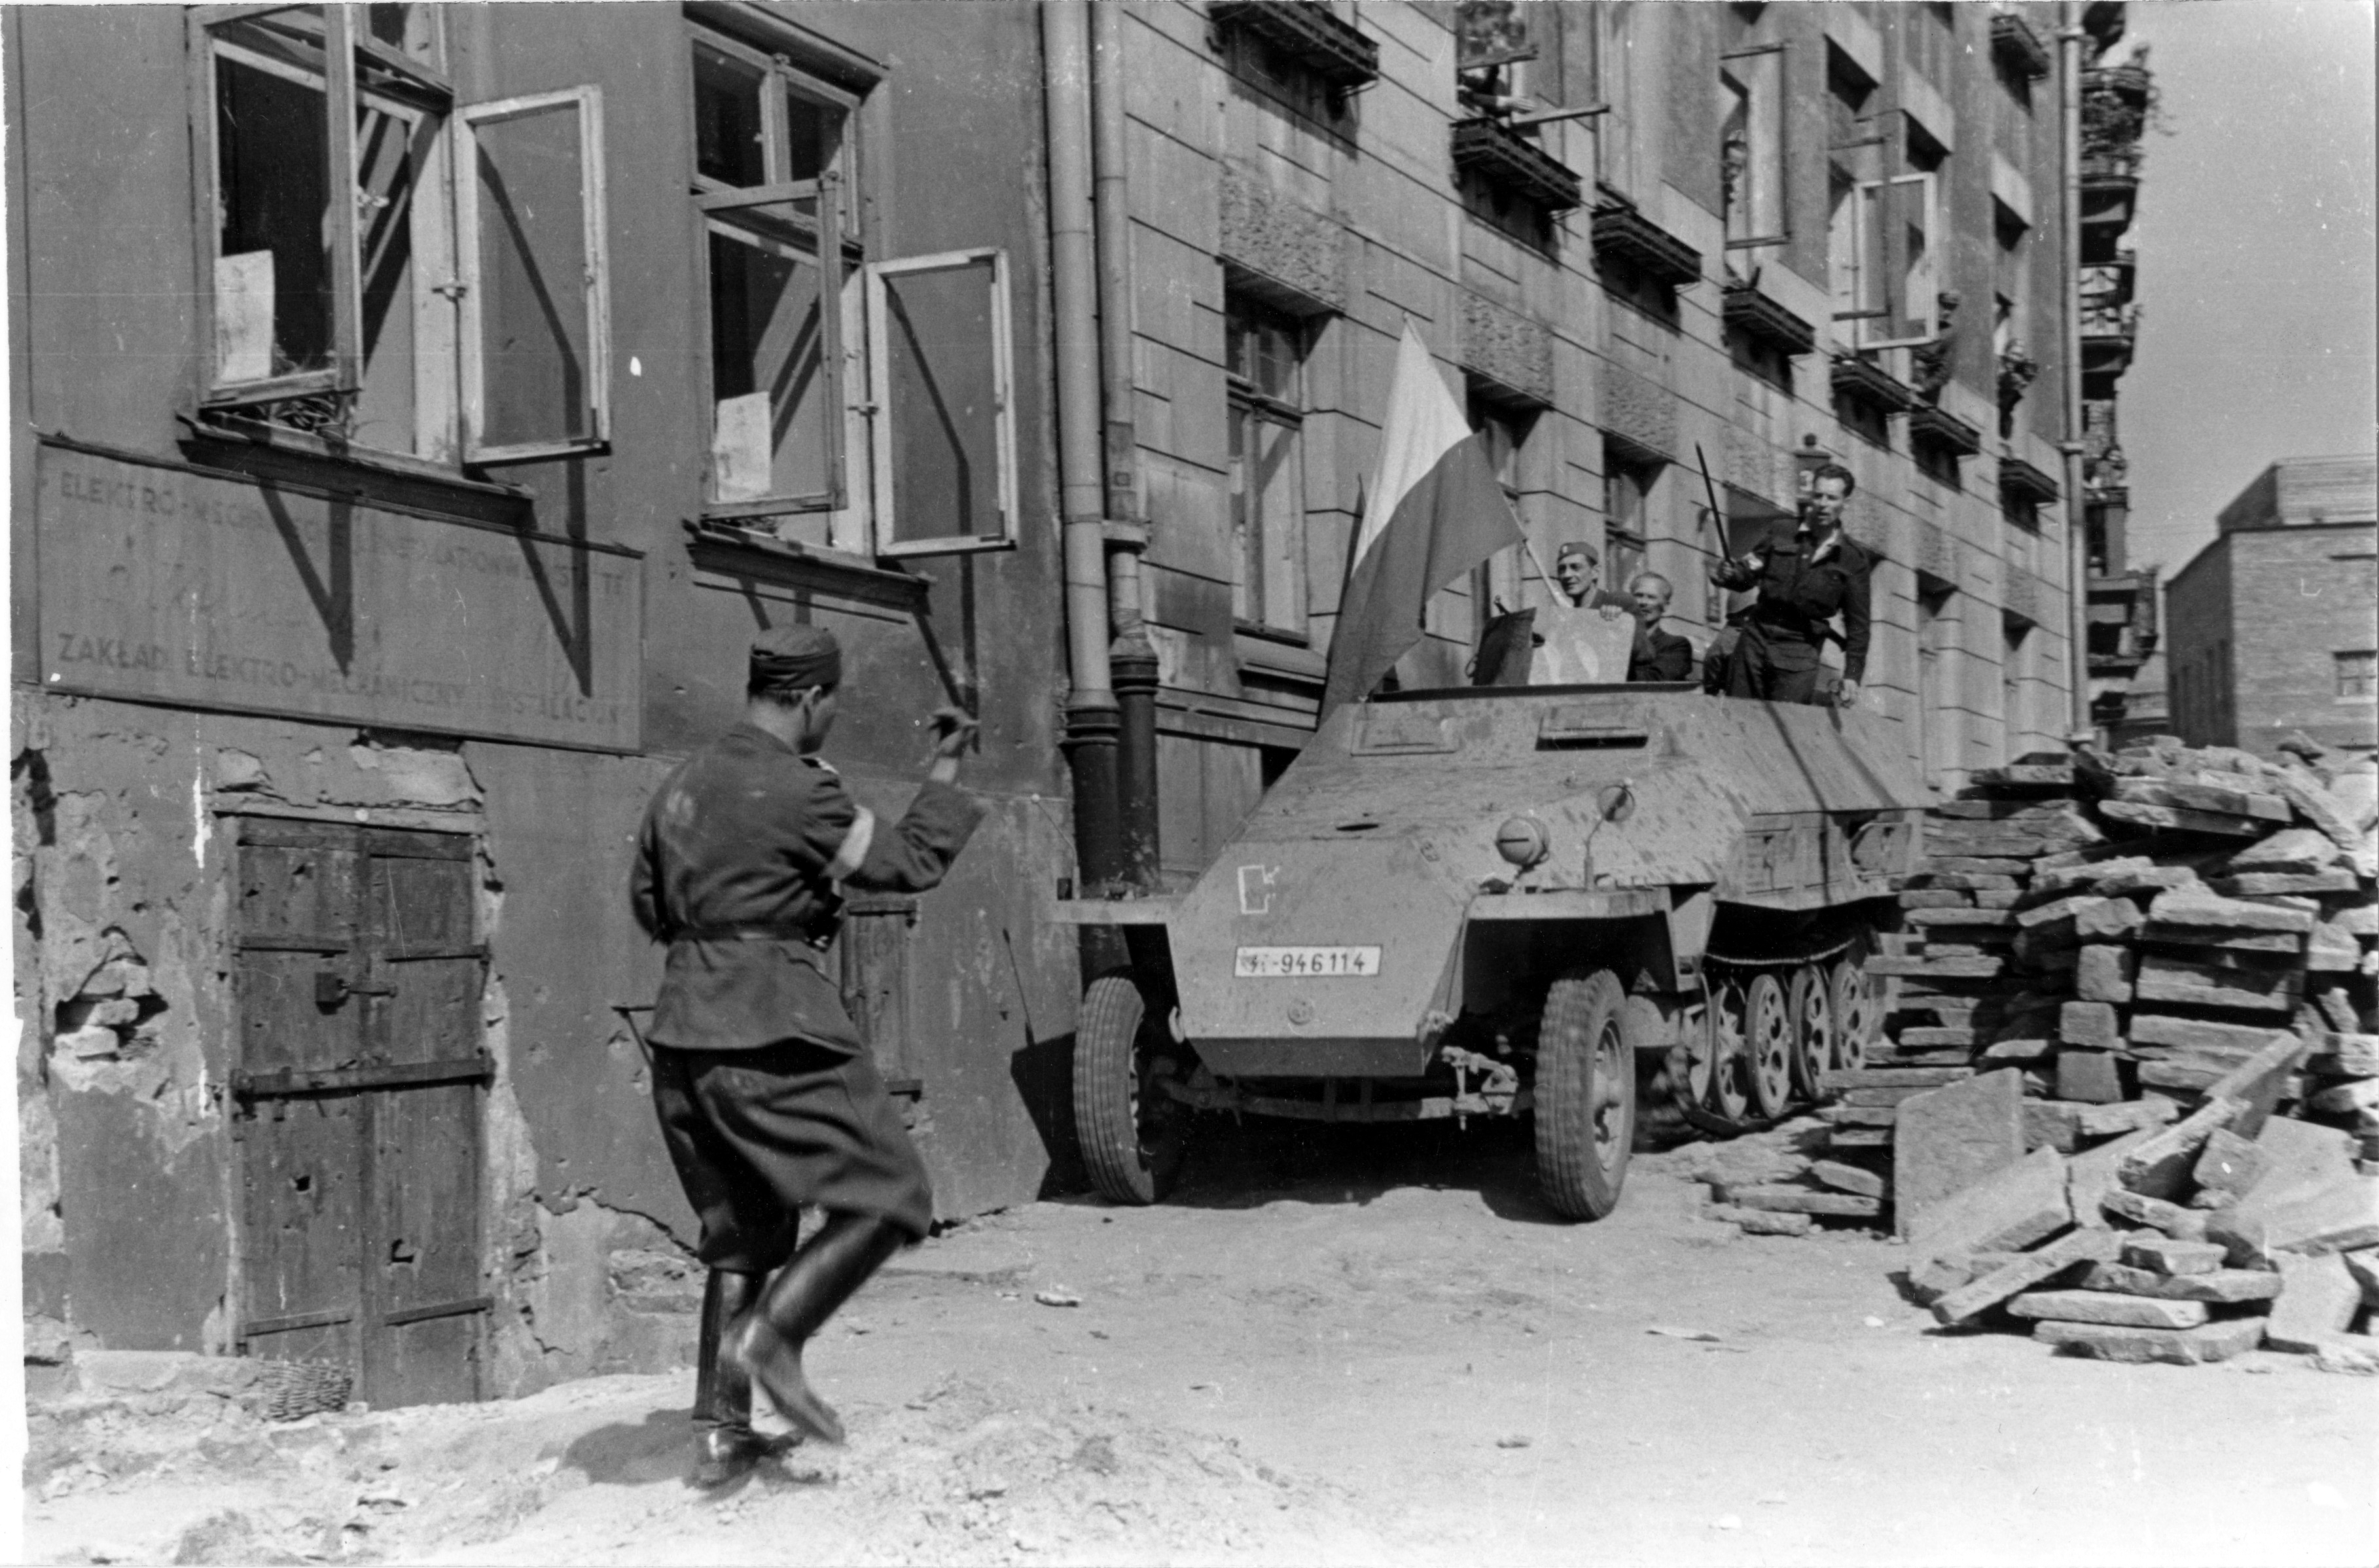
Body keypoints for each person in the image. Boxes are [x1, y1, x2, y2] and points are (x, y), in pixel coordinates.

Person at [630, 624, 983, 1487]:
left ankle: (720, 1434)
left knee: (743, 1232)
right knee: (892, 1193)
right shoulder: (799, 791)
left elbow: (649, 907)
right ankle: (776, 1336)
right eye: (833, 703)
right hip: (770, 1024)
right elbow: (904, 862)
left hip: (681, 1035)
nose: (832, 716)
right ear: (809, 698)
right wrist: (945, 770)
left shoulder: (677, 788)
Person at [1707, 463, 1871, 707]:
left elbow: (1858, 624)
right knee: (1740, 716)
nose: (1823, 504)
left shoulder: (1852, 558)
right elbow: (1747, 573)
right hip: (1756, 638)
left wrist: (1852, 675)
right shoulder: (1782, 531)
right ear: (1811, 497)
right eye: (1818, 496)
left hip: (1800, 649)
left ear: (1845, 502)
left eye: (1832, 497)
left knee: (1788, 725)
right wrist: (1729, 573)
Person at [1531, 540, 1637, 685]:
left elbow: (1644, 656)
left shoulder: (1619, 602)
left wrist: (1618, 626)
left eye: (1576, 567)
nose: (1567, 575)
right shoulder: (1564, 617)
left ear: (1595, 572)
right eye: (1562, 569)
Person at [1623, 571, 1694, 683]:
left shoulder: (1677, 645)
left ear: (1666, 606)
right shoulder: (1619, 640)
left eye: (1651, 597)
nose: (1643, 602)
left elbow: (1657, 681)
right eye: (1639, 595)